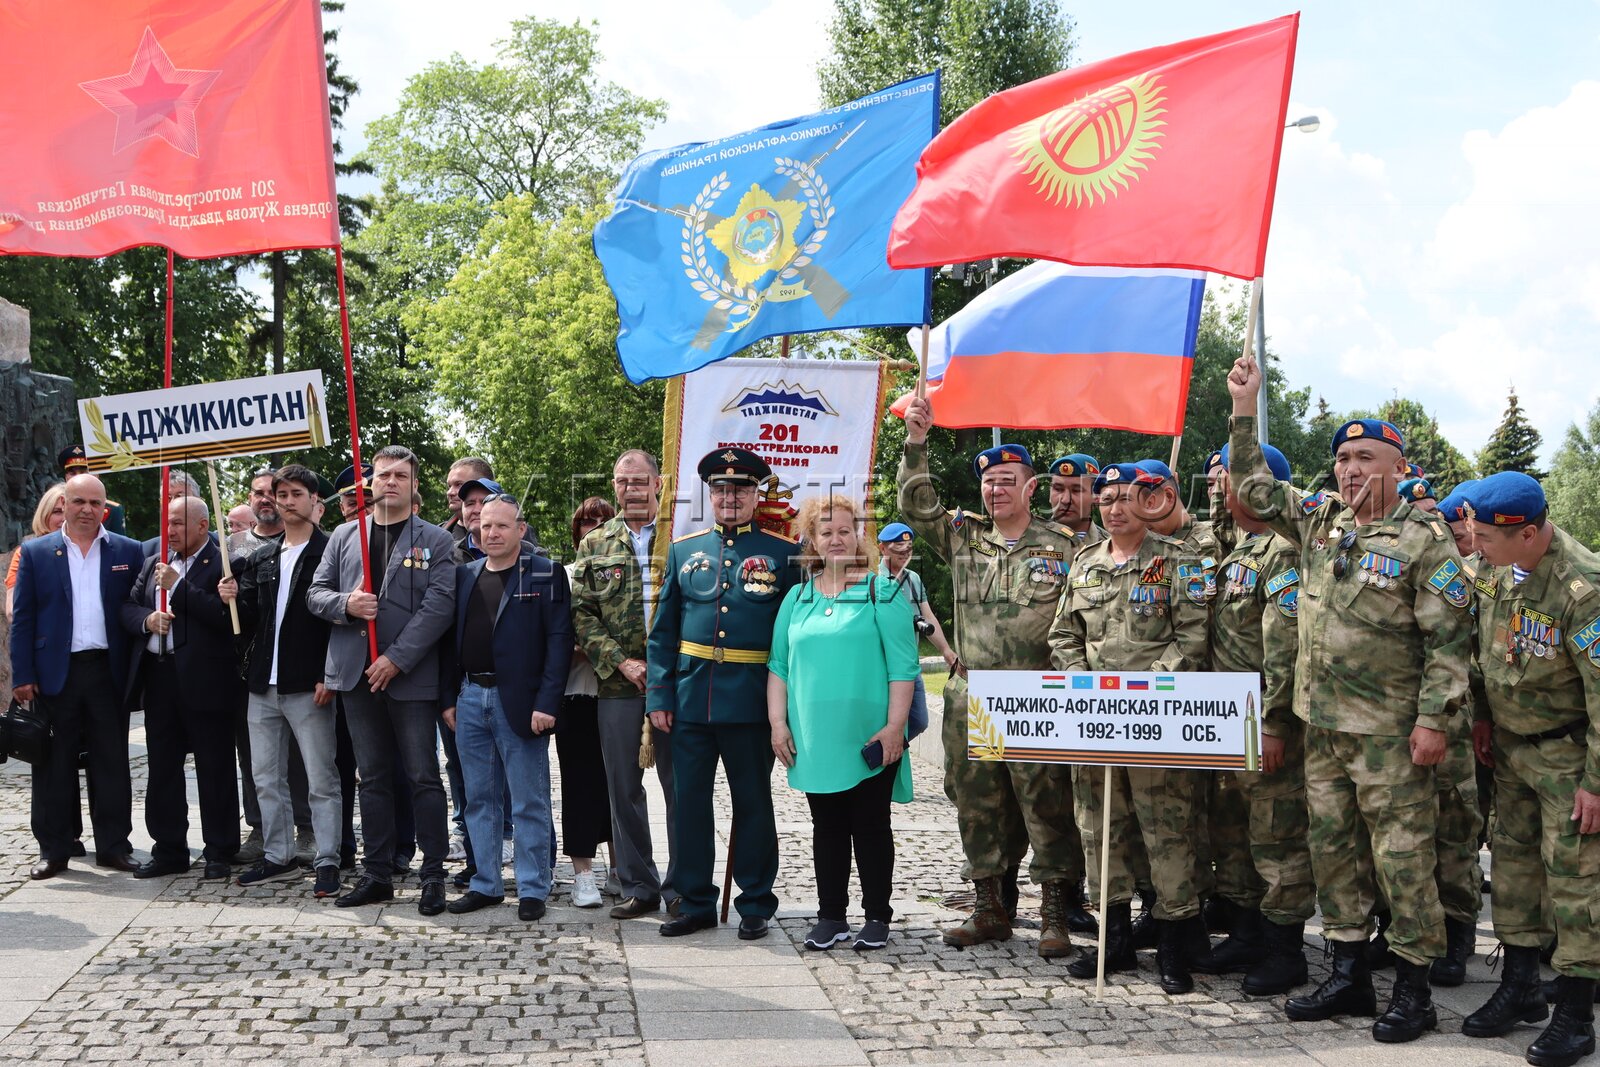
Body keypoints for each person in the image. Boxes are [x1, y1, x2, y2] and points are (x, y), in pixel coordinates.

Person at [1229, 355, 1473, 1044]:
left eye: (1365, 457)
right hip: (1325, 730)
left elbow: (1450, 642)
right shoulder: (1320, 522)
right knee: (1333, 851)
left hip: (1392, 736)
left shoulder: (1426, 543)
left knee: (1401, 859)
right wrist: (1245, 409)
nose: (1349, 469)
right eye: (1341, 458)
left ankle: (1415, 989)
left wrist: (1433, 720)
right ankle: (1346, 973)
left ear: (1396, 466)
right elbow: (1252, 488)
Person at [898, 396, 1082, 959]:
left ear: (1031, 488)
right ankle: (990, 909)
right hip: (973, 696)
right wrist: (915, 442)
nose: (996, 490)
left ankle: (1054, 912)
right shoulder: (963, 538)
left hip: (1038, 699)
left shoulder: (1066, 546)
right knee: (976, 803)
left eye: (1008, 481)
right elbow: (915, 507)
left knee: (1045, 804)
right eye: (989, 483)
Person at [1049, 462, 1212, 993]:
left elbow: (1191, 638)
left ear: (1148, 502)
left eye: (1125, 498)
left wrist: (1146, 692)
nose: (1114, 508)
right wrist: (1079, 683)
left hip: (1154, 722)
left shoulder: (1176, 561)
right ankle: (1114, 939)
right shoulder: (1085, 563)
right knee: (1099, 831)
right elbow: (1063, 635)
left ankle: (1173, 945)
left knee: (1166, 832)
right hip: (1093, 723)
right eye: (1106, 499)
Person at [1460, 472, 1600, 1067]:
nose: (1474, 544)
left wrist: (1596, 783)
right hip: (1513, 749)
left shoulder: (1583, 589)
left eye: (1486, 536)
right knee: (1514, 868)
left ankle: (1574, 1013)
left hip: (1569, 757)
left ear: (1528, 534)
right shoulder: (1496, 566)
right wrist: (1487, 718)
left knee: (1574, 883)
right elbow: (1489, 648)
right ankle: (1519, 988)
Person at [647, 447, 800, 939]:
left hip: (752, 701)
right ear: (709, 495)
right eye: (721, 489)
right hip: (691, 700)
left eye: (740, 489)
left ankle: (755, 901)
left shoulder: (784, 555)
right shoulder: (683, 550)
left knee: (753, 803)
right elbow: (662, 633)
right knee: (689, 803)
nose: (729, 497)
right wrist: (659, 696)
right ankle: (694, 901)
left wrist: (786, 709)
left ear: (757, 495)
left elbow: (792, 637)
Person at [308, 445, 456, 914]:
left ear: (414, 486)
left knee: (422, 776)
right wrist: (345, 605)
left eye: (400, 476)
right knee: (370, 777)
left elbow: (439, 607)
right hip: (355, 675)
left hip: (409, 677)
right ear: (369, 483)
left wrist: (396, 658)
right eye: (382, 474)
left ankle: (433, 872)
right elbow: (316, 593)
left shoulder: (436, 540)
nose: (389, 481)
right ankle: (376, 873)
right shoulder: (343, 536)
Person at [769, 493, 918, 951]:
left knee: (870, 826)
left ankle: (877, 915)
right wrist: (778, 723)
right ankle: (830, 914)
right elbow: (779, 665)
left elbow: (904, 666)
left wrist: (894, 727)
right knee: (826, 827)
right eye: (826, 532)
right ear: (811, 540)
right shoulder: (797, 596)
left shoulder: (883, 590)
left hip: (870, 735)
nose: (836, 539)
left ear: (859, 536)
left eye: (845, 530)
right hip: (814, 738)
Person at [1205, 442, 1315, 996]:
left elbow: (1283, 643)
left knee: (1277, 836)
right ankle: (1246, 930)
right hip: (1228, 716)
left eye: (1233, 478)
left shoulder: (1284, 550)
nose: (1224, 487)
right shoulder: (1240, 548)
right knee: (1235, 832)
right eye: (1223, 478)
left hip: (1264, 717)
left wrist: (1273, 722)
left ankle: (1284, 949)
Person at [9, 473, 146, 878]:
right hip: (55, 674)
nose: (87, 509)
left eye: (95, 503)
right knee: (53, 764)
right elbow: (23, 619)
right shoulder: (36, 553)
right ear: (63, 505)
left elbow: (136, 607)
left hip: (108, 672)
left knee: (112, 762)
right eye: (79, 502)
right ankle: (54, 850)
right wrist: (22, 674)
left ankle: (114, 847)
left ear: (105, 508)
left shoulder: (129, 550)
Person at [443, 493, 572, 920]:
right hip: (469, 697)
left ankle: (534, 886)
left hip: (520, 703)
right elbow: (450, 642)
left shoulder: (545, 573)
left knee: (528, 800)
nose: (490, 532)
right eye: (483, 525)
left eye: (501, 525)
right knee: (478, 799)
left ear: (520, 529)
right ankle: (486, 883)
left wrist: (547, 703)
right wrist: (449, 699)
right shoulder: (465, 575)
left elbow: (558, 645)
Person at [219, 464, 342, 898]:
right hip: (261, 684)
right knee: (265, 776)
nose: (285, 501)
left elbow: (338, 624)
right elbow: (250, 619)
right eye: (280, 493)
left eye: (295, 494)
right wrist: (231, 599)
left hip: (309, 683)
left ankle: (328, 858)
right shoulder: (261, 557)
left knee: (320, 778)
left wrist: (330, 675)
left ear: (315, 503)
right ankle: (279, 855)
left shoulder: (332, 552)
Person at [573, 449, 679, 920]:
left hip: (676, 682)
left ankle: (684, 886)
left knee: (682, 789)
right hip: (618, 685)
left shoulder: (681, 538)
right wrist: (623, 662)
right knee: (623, 788)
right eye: (621, 481)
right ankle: (639, 885)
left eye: (639, 480)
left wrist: (664, 667)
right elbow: (582, 615)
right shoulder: (595, 544)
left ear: (658, 483)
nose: (630, 489)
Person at [121, 496, 240, 880]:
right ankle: (169, 849)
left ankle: (220, 849)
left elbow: (227, 620)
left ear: (203, 526)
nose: (168, 531)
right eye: (167, 523)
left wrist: (180, 587)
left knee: (215, 766)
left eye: (177, 524)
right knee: (163, 768)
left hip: (207, 679)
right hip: (160, 677)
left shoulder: (223, 562)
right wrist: (146, 619)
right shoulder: (152, 560)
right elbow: (127, 607)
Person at [558, 496, 615, 908]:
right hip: (575, 694)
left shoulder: (627, 575)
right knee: (580, 785)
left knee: (620, 786)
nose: (593, 528)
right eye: (585, 522)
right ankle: (583, 875)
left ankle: (621, 867)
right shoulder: (561, 575)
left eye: (602, 521)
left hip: (619, 695)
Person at [875, 522, 958, 735]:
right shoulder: (872, 581)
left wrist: (946, 651)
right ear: (882, 548)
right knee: (883, 723)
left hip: (910, 664)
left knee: (919, 721)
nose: (905, 552)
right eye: (898, 548)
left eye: (909, 548)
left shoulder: (913, 579)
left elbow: (927, 616)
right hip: (881, 667)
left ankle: (889, 754)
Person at [5, 483, 65, 620]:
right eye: (57, 512)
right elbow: (12, 610)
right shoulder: (25, 553)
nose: (64, 519)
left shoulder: (89, 550)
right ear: (44, 515)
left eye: (69, 512)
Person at [57, 445, 126, 536]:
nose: (78, 476)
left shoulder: (113, 510)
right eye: (72, 473)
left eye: (83, 472)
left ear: (96, 475)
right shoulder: (54, 505)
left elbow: (119, 546)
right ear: (66, 477)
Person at [1047, 454, 1107, 549]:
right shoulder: (1027, 541)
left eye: (1076, 490)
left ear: (1096, 496)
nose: (1065, 500)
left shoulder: (1111, 546)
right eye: (1058, 489)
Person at [442, 457, 493, 547]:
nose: (450, 492)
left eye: (459, 484)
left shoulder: (518, 533)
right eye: (449, 486)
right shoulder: (437, 536)